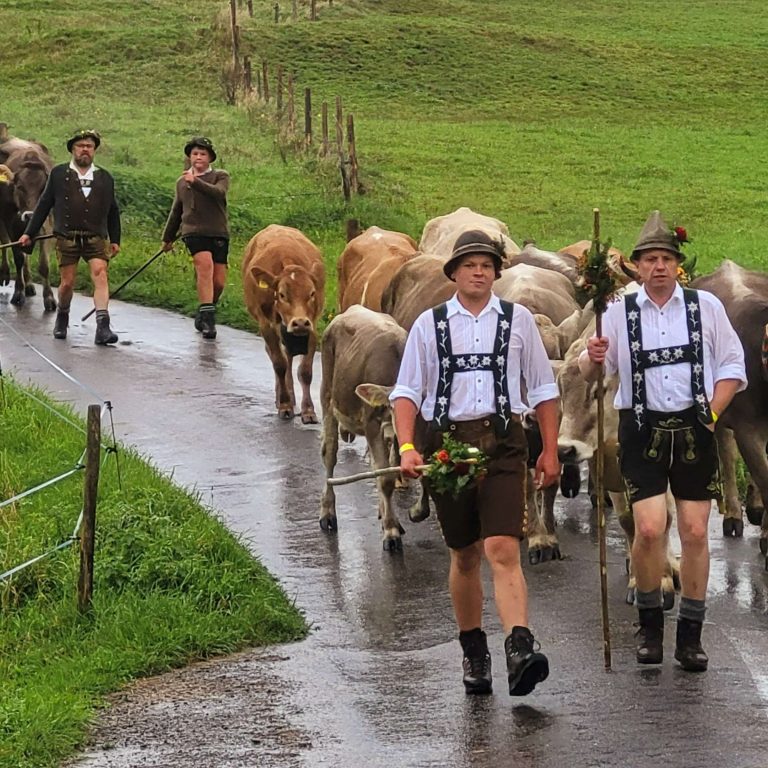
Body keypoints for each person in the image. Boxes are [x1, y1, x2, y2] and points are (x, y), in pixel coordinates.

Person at [390, 229, 561, 697]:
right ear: (454, 273)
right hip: (448, 447)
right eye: (469, 265)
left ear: (496, 272)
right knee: (464, 553)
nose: (479, 271)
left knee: (502, 547)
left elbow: (544, 389)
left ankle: (520, 647)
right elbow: (406, 392)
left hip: (505, 443)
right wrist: (407, 447)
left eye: (486, 264)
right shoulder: (430, 324)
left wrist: (549, 448)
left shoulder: (519, 320)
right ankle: (473, 650)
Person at [580, 210, 746, 671]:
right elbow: (589, 372)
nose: (657, 266)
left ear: (678, 265)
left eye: (665, 258)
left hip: (695, 430)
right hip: (642, 430)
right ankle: (650, 626)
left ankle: (690, 636)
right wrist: (593, 357)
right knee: (650, 530)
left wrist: (711, 414)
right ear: (636, 266)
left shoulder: (704, 308)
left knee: (694, 532)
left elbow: (733, 367)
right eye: (649, 259)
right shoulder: (615, 312)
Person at [20, 129, 121, 344]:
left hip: (96, 237)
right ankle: (62, 316)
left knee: (100, 273)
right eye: (80, 145)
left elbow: (113, 210)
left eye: (89, 146)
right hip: (67, 237)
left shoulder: (105, 177)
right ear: (72, 149)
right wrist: (29, 233)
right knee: (67, 283)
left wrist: (115, 239)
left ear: (94, 151)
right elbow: (44, 204)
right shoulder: (58, 174)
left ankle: (103, 327)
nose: (85, 150)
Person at [161, 137, 230, 340]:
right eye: (194, 154)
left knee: (218, 282)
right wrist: (168, 237)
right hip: (193, 232)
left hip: (218, 231)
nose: (198, 157)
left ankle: (205, 309)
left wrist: (196, 182)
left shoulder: (220, 176)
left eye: (203, 154)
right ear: (189, 157)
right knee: (204, 267)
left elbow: (218, 194)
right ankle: (209, 321)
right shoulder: (182, 182)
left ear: (210, 158)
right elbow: (177, 210)